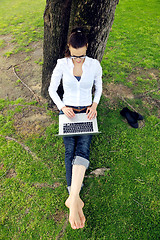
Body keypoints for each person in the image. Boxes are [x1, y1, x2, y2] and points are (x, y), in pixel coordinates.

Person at [48, 27, 102, 230]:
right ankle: (74, 200)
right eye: (74, 55)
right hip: (68, 113)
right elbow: (51, 89)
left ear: (87, 48)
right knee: (69, 150)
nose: (78, 60)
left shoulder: (94, 65)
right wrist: (63, 107)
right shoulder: (62, 64)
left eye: (82, 56)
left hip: (87, 112)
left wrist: (95, 105)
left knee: (84, 148)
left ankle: (73, 199)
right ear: (69, 49)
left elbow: (99, 85)